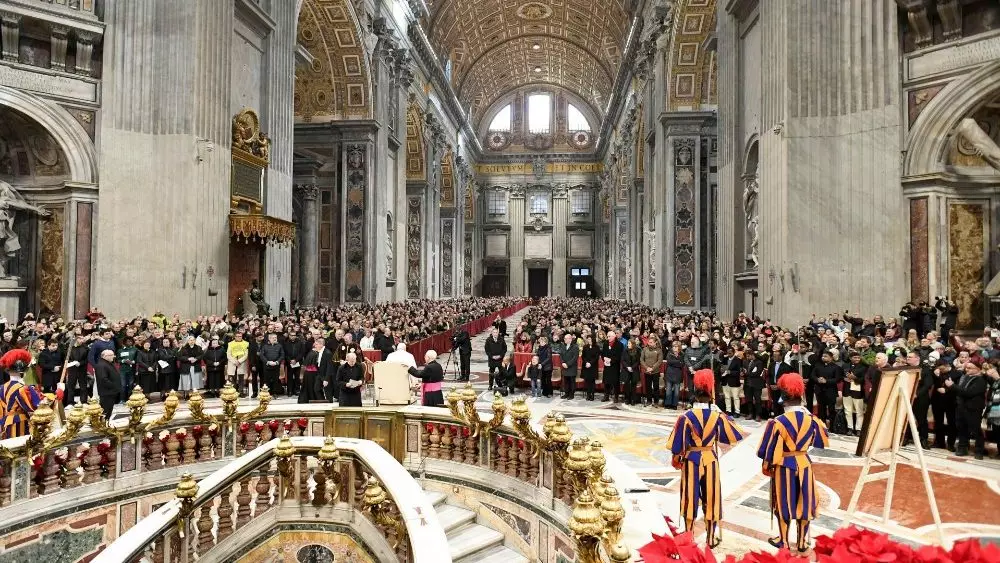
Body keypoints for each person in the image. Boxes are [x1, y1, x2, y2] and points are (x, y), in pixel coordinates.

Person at [665, 369, 747, 548]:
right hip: (710, 458)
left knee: (689, 496)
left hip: (692, 458)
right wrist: (723, 414)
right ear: (710, 395)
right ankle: (710, 538)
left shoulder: (685, 417)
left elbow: (677, 445)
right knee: (712, 496)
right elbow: (734, 435)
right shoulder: (717, 416)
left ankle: (688, 536)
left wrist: (677, 459)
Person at [757, 372, 830, 552]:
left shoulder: (778, 422)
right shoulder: (812, 420)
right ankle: (803, 542)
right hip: (804, 464)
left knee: (783, 502)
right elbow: (822, 439)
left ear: (784, 399)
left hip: (784, 465)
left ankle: (783, 540)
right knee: (804, 502)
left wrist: (767, 467)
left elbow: (765, 450)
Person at [0, 349, 42, 438]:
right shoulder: (23, 388)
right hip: (20, 423)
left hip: (5, 422)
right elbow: (37, 406)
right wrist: (57, 394)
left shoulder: (2, 387)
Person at [954, 357, 988, 459]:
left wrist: (952, 386)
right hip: (961, 407)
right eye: (967, 368)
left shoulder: (981, 380)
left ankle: (979, 451)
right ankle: (962, 448)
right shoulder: (965, 377)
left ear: (978, 369)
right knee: (961, 428)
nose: (967, 370)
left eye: (970, 368)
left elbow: (969, 393)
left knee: (976, 430)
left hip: (973, 408)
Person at [811, 349, 843, 430]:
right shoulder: (818, 366)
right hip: (819, 390)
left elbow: (838, 379)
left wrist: (826, 381)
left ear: (831, 358)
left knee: (831, 409)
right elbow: (812, 375)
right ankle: (822, 425)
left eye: (826, 356)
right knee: (821, 409)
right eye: (823, 356)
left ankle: (832, 427)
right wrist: (817, 379)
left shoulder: (836, 367)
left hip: (831, 391)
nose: (823, 358)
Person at [843, 351, 868, 436]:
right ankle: (850, 428)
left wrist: (855, 378)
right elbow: (840, 376)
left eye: (858, 357)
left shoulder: (864, 367)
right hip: (846, 390)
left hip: (858, 391)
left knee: (859, 411)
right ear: (850, 358)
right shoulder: (845, 365)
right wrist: (844, 379)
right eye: (855, 357)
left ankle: (858, 429)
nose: (857, 359)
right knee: (848, 410)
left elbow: (864, 380)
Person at [94, 348, 122, 420]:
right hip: (107, 392)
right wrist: (114, 386)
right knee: (105, 411)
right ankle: (102, 425)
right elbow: (103, 379)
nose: (114, 356)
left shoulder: (107, 363)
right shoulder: (101, 365)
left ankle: (106, 424)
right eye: (111, 355)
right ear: (105, 356)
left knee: (108, 410)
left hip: (110, 392)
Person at [63, 334, 90, 406]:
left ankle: (84, 401)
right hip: (72, 369)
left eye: (82, 338)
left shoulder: (85, 348)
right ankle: (70, 402)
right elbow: (66, 358)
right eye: (80, 338)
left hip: (82, 369)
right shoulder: (69, 348)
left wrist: (80, 363)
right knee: (71, 386)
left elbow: (87, 359)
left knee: (83, 386)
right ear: (75, 339)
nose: (82, 340)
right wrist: (72, 362)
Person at [282, 330, 306, 398]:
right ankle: (290, 391)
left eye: (294, 335)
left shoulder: (300, 343)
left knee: (297, 377)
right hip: (289, 363)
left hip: (297, 362)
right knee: (289, 377)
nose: (293, 337)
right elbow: (285, 353)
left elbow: (302, 353)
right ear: (289, 336)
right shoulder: (286, 343)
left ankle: (297, 390)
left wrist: (296, 360)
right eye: (291, 335)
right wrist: (290, 360)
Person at [641, 335, 663, 407]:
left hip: (655, 372)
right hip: (647, 371)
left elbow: (659, 361)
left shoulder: (659, 350)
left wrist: (652, 368)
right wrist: (647, 368)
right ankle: (649, 400)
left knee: (656, 387)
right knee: (648, 387)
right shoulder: (644, 349)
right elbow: (641, 359)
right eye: (648, 342)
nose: (649, 343)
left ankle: (656, 401)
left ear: (655, 343)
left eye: (651, 342)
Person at [601, 331, 624, 402]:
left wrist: (611, 360)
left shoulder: (620, 345)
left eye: (609, 336)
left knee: (615, 382)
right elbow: (602, 354)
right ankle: (606, 396)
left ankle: (616, 397)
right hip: (607, 366)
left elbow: (619, 356)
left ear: (614, 336)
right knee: (606, 382)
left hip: (614, 366)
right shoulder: (605, 343)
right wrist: (604, 359)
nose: (608, 338)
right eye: (607, 336)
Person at [723, 347, 744, 417]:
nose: (728, 354)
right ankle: (728, 411)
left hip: (734, 382)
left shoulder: (738, 360)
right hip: (725, 381)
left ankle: (737, 412)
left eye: (730, 353)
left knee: (736, 398)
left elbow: (739, 372)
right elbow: (723, 368)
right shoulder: (724, 359)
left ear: (734, 352)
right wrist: (722, 370)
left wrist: (730, 372)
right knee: (727, 397)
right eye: (727, 353)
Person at [622, 338, 641, 405]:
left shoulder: (637, 351)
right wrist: (627, 367)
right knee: (626, 385)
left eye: (629, 343)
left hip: (634, 370)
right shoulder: (625, 350)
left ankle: (633, 399)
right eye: (628, 343)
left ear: (633, 344)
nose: (628, 345)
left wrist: (632, 367)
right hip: (626, 370)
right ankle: (627, 399)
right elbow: (623, 360)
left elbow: (638, 361)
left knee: (633, 385)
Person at [117, 337, 137, 401]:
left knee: (131, 384)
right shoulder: (120, 350)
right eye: (128, 341)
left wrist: (133, 361)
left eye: (131, 341)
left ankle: (130, 399)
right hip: (122, 370)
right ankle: (122, 399)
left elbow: (138, 358)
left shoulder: (135, 349)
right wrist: (123, 360)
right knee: (123, 385)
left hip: (131, 369)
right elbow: (117, 360)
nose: (129, 342)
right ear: (125, 342)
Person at [560, 333, 579, 400]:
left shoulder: (575, 347)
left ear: (570, 339)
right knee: (566, 381)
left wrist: (567, 364)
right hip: (564, 366)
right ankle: (566, 393)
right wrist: (563, 363)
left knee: (571, 381)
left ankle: (571, 394)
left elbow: (575, 358)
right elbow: (561, 355)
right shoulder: (563, 346)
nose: (564, 339)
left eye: (566, 338)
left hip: (571, 367)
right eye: (564, 338)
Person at [580, 335, 599, 401]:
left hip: (593, 366)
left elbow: (596, 357)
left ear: (593, 340)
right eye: (588, 339)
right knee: (587, 381)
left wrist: (590, 363)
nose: (589, 340)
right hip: (586, 366)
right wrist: (586, 363)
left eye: (590, 339)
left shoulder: (596, 347)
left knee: (592, 381)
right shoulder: (585, 347)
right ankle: (588, 394)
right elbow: (583, 356)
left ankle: (592, 395)